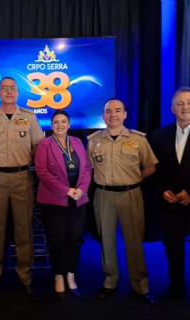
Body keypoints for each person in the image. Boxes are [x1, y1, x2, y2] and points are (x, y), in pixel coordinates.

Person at [0, 76, 44, 302]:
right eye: (4, 88)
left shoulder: (29, 117)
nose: (9, 91)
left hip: (22, 178)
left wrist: (19, 164)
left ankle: (25, 277)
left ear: (18, 92)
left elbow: (37, 148)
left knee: (24, 229)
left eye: (12, 88)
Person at [87, 98, 158, 305]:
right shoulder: (93, 141)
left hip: (131, 194)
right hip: (103, 195)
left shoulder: (138, 140)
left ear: (125, 115)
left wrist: (133, 180)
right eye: (109, 111)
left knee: (134, 241)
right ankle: (110, 282)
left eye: (118, 111)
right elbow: (86, 170)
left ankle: (140, 285)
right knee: (106, 242)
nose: (113, 115)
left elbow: (150, 167)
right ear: (103, 116)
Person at [35, 110, 92, 301]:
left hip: (78, 198)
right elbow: (42, 172)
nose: (60, 125)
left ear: (69, 124)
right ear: (52, 126)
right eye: (56, 122)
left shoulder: (77, 142)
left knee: (75, 238)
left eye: (64, 121)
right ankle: (58, 275)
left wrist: (81, 190)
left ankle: (71, 275)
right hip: (54, 200)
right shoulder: (44, 144)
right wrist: (66, 190)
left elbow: (86, 168)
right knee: (56, 239)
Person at [149, 87, 190, 299]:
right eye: (180, 104)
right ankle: (177, 287)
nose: (185, 107)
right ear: (172, 108)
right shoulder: (158, 135)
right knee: (173, 249)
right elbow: (152, 171)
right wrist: (162, 190)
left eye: (189, 103)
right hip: (170, 203)